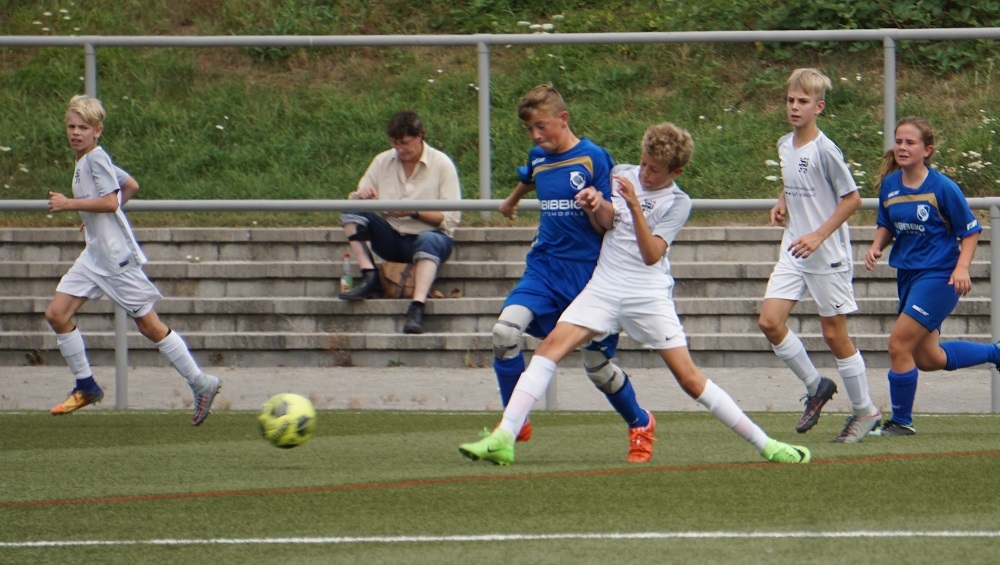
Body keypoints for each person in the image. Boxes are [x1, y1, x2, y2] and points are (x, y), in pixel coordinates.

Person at [461, 122, 811, 466]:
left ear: (676, 171)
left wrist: (632, 206)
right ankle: (505, 436)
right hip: (604, 286)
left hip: (647, 295)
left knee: (689, 380)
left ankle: (766, 444)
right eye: (643, 163)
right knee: (549, 349)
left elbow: (651, 254)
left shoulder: (677, 202)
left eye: (655, 170)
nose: (645, 173)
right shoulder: (621, 174)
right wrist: (596, 203)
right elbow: (607, 223)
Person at [490, 83, 656, 462]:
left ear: (563, 119)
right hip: (544, 268)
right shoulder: (539, 156)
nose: (535, 136)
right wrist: (511, 201)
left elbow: (610, 222)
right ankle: (514, 420)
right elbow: (530, 175)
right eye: (530, 129)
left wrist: (596, 204)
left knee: (597, 367)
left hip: (589, 276)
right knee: (504, 333)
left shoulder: (593, 158)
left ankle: (640, 422)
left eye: (542, 126)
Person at [45, 94, 220, 425]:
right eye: (71, 126)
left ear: (98, 131)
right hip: (94, 256)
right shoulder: (86, 160)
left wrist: (71, 204)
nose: (76, 133)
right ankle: (86, 386)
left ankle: (201, 383)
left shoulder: (95, 158)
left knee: (149, 326)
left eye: (83, 127)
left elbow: (111, 202)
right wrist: (90, 217)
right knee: (56, 314)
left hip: (115, 261)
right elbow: (130, 185)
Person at [757, 68, 880, 443]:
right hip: (794, 248)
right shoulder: (784, 144)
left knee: (833, 334)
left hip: (826, 254)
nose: (794, 107)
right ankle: (816, 386)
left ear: (819, 107)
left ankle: (866, 411)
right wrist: (782, 201)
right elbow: (797, 181)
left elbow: (853, 199)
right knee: (769, 322)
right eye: (790, 100)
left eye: (803, 101)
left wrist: (817, 235)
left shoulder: (826, 150)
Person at [865, 116, 1000, 436]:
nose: (902, 147)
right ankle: (996, 353)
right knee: (928, 358)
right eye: (899, 141)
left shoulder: (942, 187)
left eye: (910, 142)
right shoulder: (891, 185)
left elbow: (970, 231)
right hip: (908, 276)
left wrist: (962, 268)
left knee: (898, 344)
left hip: (939, 277)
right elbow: (886, 222)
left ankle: (901, 422)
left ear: (927, 150)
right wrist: (876, 245)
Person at [338, 111, 461, 335]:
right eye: (395, 143)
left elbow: (450, 219)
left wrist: (413, 212)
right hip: (392, 236)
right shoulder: (382, 161)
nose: (400, 149)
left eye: (404, 143)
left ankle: (417, 306)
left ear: (419, 136)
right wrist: (363, 196)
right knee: (351, 209)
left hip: (430, 236)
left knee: (429, 240)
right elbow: (356, 197)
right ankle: (370, 275)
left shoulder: (442, 164)